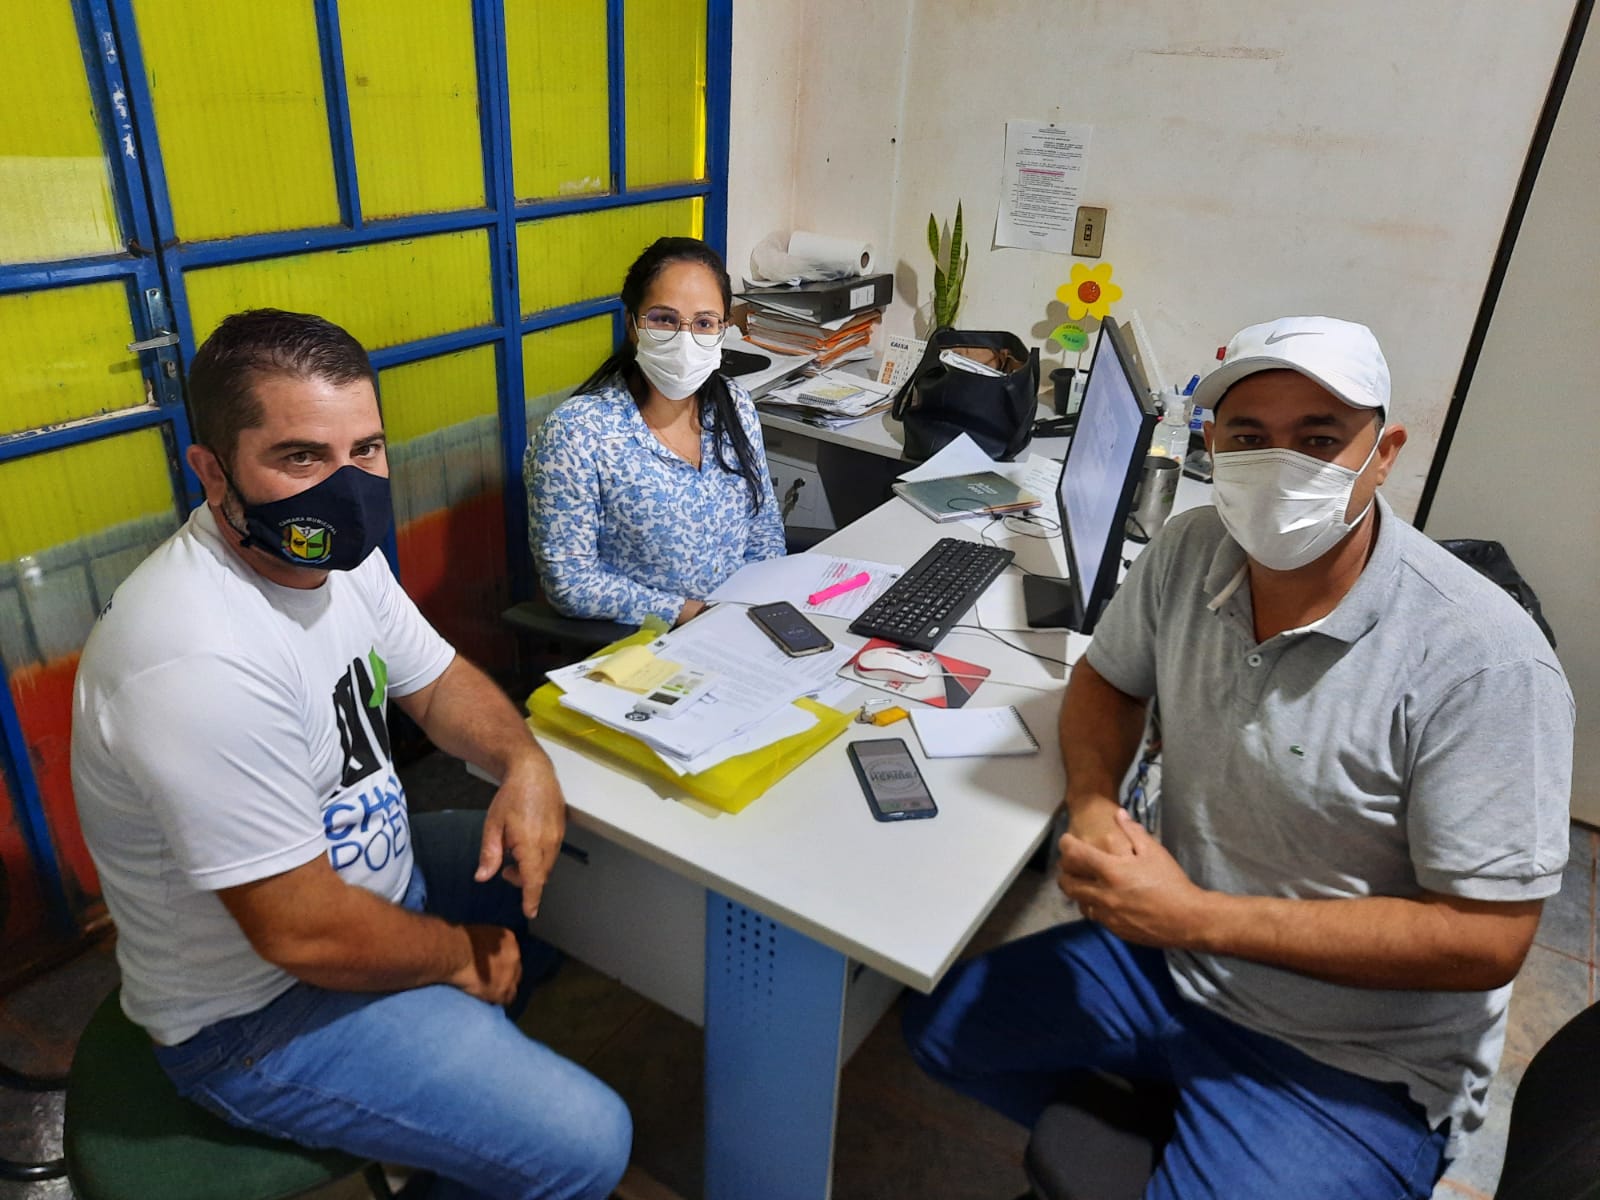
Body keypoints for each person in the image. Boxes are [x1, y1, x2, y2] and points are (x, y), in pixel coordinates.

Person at [903, 316, 1574, 1198]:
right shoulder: (1188, 551)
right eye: (1251, 438)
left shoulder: (1485, 660)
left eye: (1320, 439)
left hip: (1349, 1055)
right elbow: (1108, 681)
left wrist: (1192, 918)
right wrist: (1098, 802)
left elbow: (1487, 940)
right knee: (942, 1030)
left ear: (1386, 451)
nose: (1280, 464)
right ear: (1210, 442)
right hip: (1174, 967)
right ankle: (1172, 1123)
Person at [71, 309, 631, 1200]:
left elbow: (440, 684)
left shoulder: (329, 557)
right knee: (589, 1143)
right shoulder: (193, 659)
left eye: (365, 450)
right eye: (300, 457)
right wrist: (457, 953)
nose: (345, 488)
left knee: (606, 866)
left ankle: (460, 1103)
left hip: (373, 885)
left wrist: (525, 763)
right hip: (260, 1011)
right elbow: (304, 933)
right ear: (211, 471)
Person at [525, 236, 786, 626]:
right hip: (648, 645)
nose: (685, 339)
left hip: (742, 626)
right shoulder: (577, 433)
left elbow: (763, 528)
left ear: (722, 329)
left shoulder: (734, 405)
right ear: (633, 325)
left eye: (704, 323)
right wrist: (688, 614)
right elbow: (570, 582)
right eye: (664, 319)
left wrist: (759, 609)